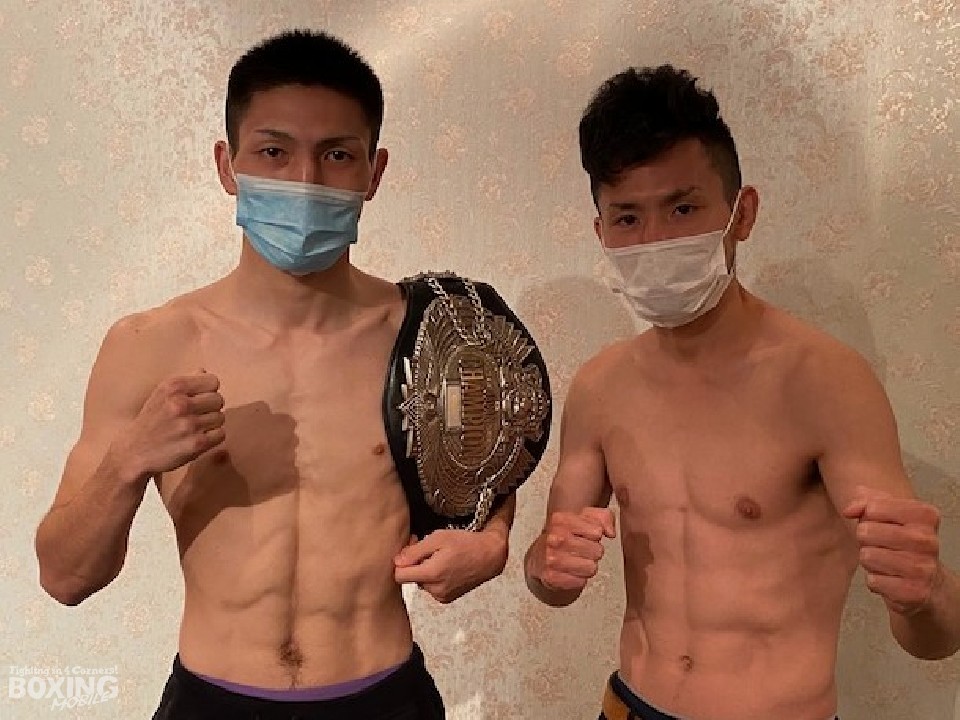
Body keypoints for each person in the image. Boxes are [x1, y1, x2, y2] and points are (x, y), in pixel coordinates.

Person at [34, 30, 526, 720]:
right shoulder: (150, 345)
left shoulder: (430, 333)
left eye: (337, 155)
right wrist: (128, 460)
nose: (305, 180)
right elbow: (64, 576)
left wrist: (494, 544)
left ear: (374, 173)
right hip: (211, 701)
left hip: (385, 696)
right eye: (273, 151)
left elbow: (494, 454)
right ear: (227, 165)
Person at [524, 65, 960, 720]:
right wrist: (544, 564)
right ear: (601, 232)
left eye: (682, 208)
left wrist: (926, 593)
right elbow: (552, 580)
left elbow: (935, 637)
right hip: (628, 706)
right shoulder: (599, 386)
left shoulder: (824, 381)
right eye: (627, 217)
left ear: (742, 213)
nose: (654, 240)